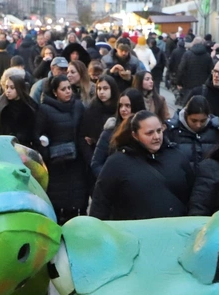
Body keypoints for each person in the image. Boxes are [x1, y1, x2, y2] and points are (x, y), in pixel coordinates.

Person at [89, 110, 194, 221]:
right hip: (132, 229)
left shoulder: (177, 156)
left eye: (159, 131)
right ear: (135, 135)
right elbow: (100, 203)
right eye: (149, 133)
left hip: (175, 228)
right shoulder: (117, 163)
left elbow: (192, 195)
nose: (156, 137)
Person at [34, 75, 88, 224]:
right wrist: (48, 153)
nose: (68, 91)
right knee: (57, 202)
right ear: (55, 92)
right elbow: (38, 135)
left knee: (76, 200)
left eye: (69, 88)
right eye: (63, 89)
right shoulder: (45, 109)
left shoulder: (78, 106)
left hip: (76, 163)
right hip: (55, 164)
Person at [91, 88, 146, 177]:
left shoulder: (147, 131)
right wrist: (112, 179)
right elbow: (96, 164)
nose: (123, 109)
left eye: (127, 106)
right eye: (121, 106)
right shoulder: (109, 132)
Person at [165, 95, 219, 170]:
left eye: (203, 121)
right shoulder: (171, 130)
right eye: (194, 121)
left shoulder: (217, 129)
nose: (198, 125)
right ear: (186, 115)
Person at [0, 75, 37, 147]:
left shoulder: (30, 107)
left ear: (19, 88)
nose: (8, 91)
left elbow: (33, 132)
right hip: (1, 146)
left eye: (12, 88)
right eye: (6, 87)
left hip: (22, 147)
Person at [81, 75, 119, 168]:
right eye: (99, 88)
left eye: (105, 88)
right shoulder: (91, 109)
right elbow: (84, 137)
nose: (101, 92)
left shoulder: (120, 108)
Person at [176, 37, 214, 106]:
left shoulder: (187, 54)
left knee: (187, 104)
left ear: (193, 43)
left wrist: (179, 82)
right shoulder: (207, 56)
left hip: (188, 84)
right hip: (202, 85)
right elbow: (211, 71)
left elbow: (181, 69)